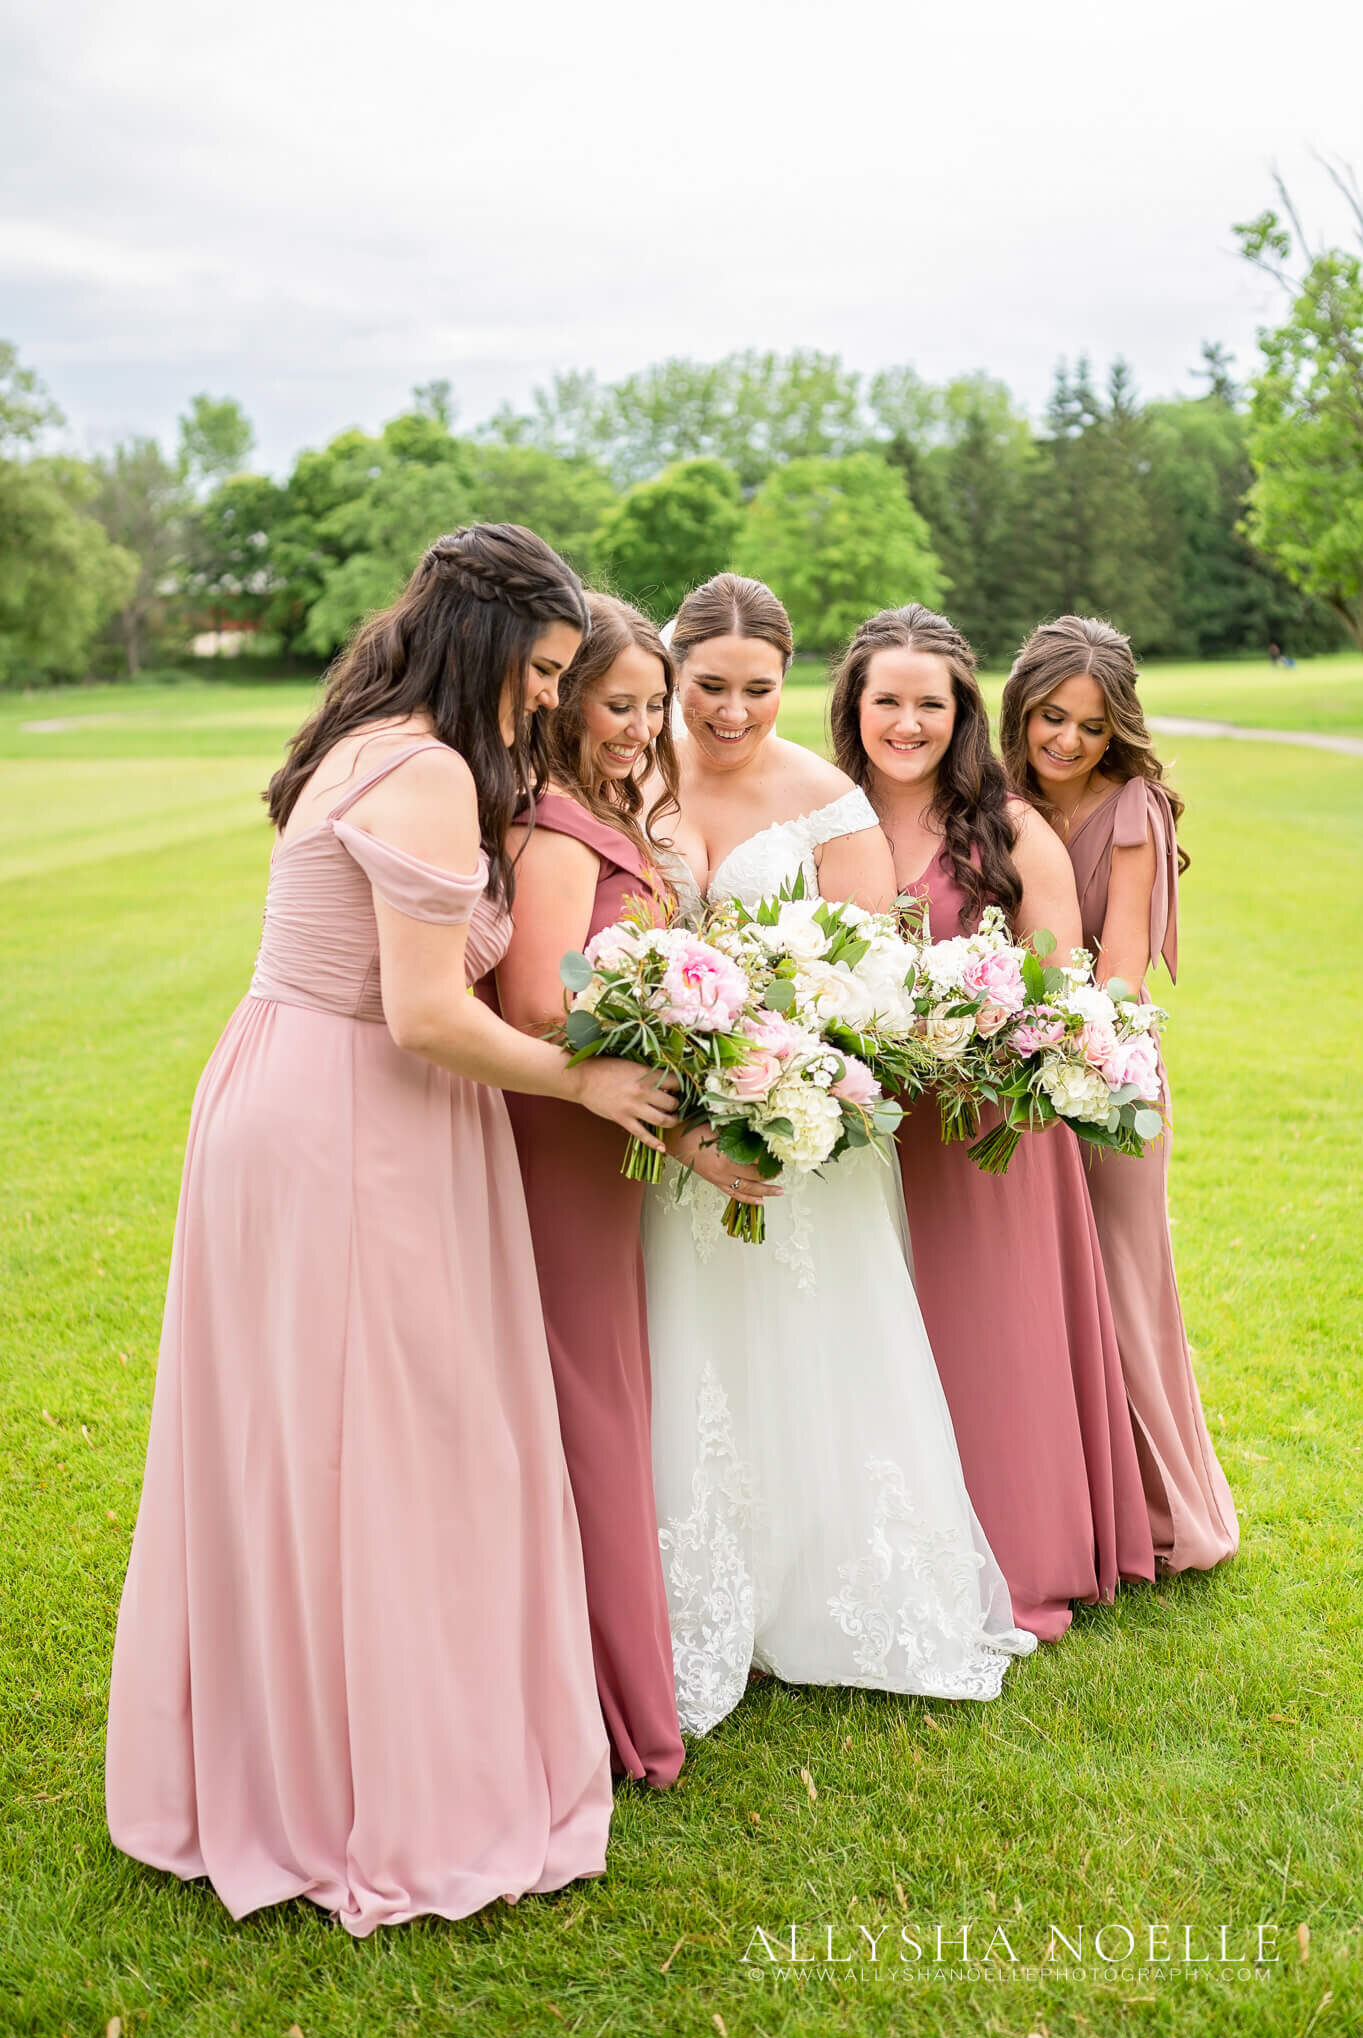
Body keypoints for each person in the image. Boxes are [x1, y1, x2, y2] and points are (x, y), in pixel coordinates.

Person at [105, 525, 679, 1935]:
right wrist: (587, 1080)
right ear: (486, 648)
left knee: (317, 1443)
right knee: (398, 1444)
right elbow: (426, 1013)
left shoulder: (366, 736)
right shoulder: (423, 771)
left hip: (300, 1088)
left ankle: (308, 1750)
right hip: (356, 1114)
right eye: (543, 669)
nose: (550, 696)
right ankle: (368, 1786)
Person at [640, 573, 1036, 1737]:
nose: (729, 710)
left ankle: (831, 1592)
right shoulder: (630, 775)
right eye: (706, 686)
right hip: (668, 1125)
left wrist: (781, 1068)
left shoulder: (826, 804)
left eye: (756, 688)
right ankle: (696, 1590)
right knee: (691, 1342)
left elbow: (870, 992)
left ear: (787, 680)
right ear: (672, 676)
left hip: (801, 1127)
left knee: (816, 1345)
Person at [830, 603, 1155, 1639]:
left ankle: (1022, 1548)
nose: (909, 721)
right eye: (889, 699)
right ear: (856, 704)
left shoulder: (1010, 824)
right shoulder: (820, 817)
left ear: (961, 712)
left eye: (931, 702)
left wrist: (980, 1022)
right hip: (869, 1127)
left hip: (989, 1131)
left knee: (993, 1340)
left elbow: (1063, 979)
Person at [1000, 614, 1239, 1574]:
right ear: (1019, 708)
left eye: (1089, 728)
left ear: (1115, 733)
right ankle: (1071, 1509)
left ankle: (1168, 1512)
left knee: (1126, 1289)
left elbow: (1126, 966)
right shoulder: (989, 801)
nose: (1065, 741)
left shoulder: (1132, 807)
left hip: (1108, 1075)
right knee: (1040, 1295)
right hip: (1003, 1081)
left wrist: (1065, 1045)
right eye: (1050, 717)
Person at [495, 593, 686, 1788]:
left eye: (652, 706)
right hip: (560, 1133)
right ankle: (618, 1708)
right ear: (562, 697)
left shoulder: (606, 812)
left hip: (605, 1140)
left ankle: (618, 1681)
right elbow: (534, 1006)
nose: (641, 726)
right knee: (589, 1400)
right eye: (621, 702)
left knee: (610, 1388)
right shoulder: (553, 831)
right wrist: (680, 1034)